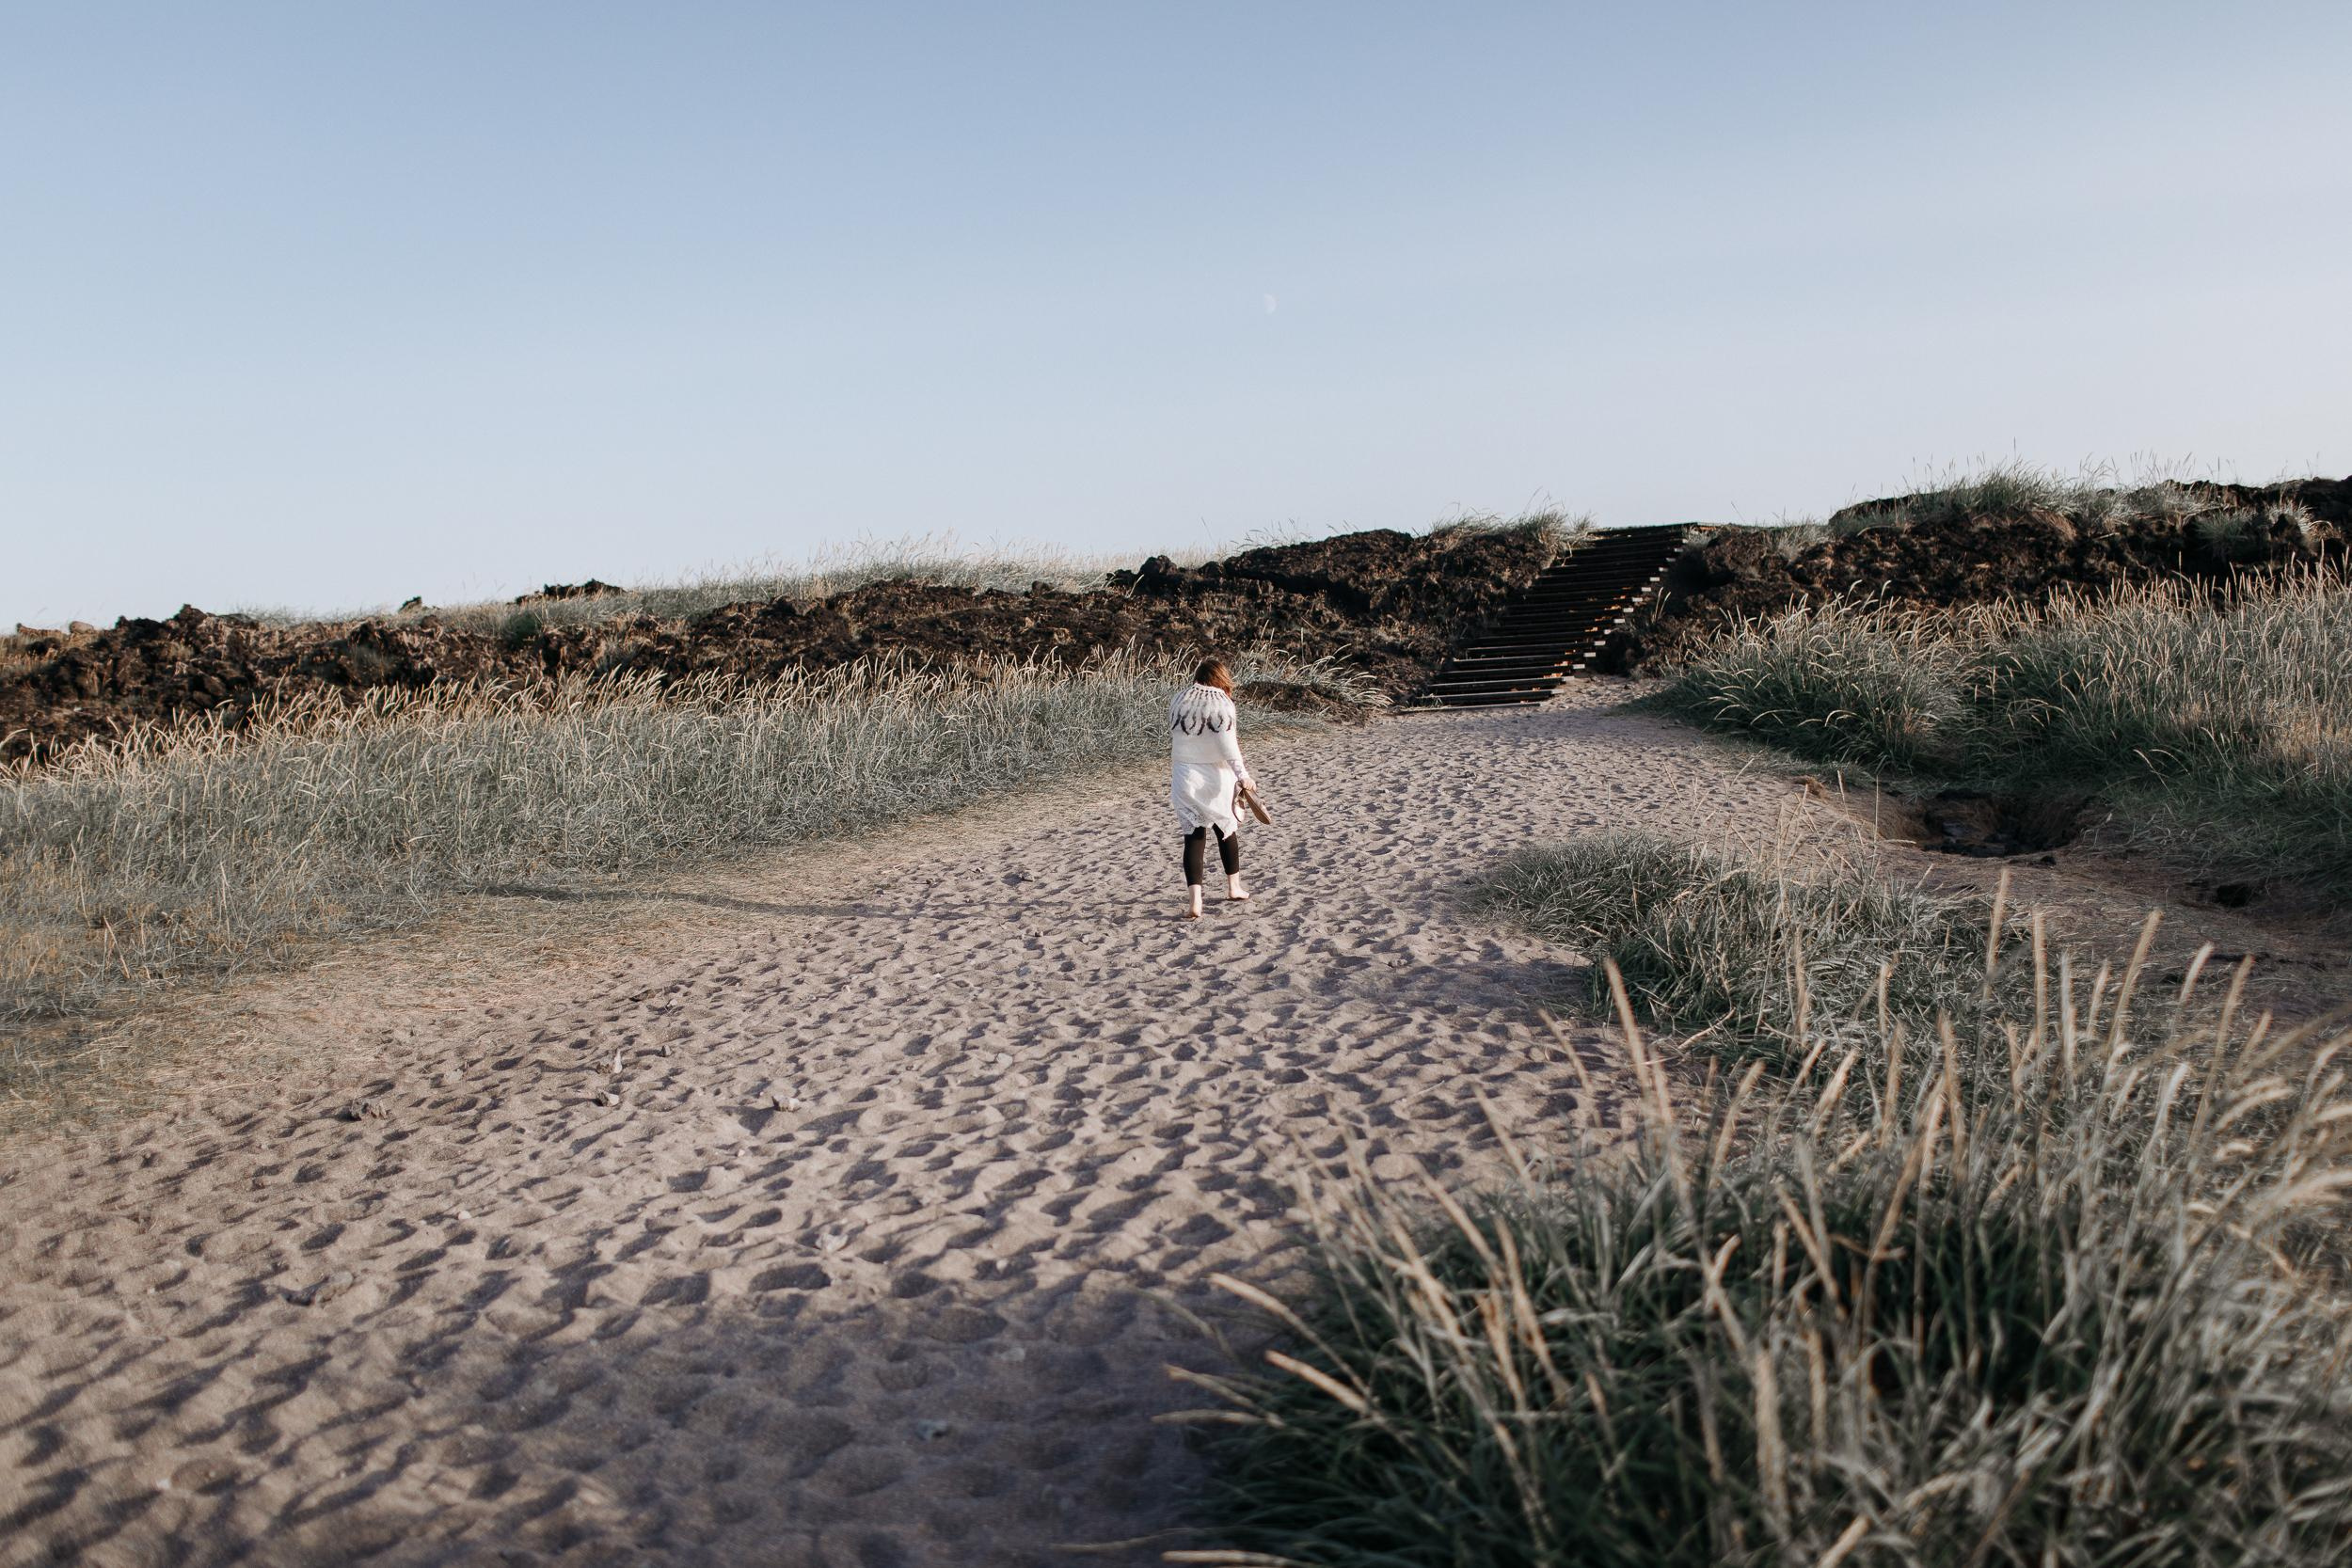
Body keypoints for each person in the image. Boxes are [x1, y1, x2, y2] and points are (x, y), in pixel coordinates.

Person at [1168, 658, 1254, 920]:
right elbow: (1229, 746)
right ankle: (1234, 887)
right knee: (1226, 830)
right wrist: (1244, 777)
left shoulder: (1179, 699)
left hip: (1184, 776)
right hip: (1215, 776)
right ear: (1221, 678)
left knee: (1193, 837)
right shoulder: (1222, 704)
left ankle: (1195, 903)